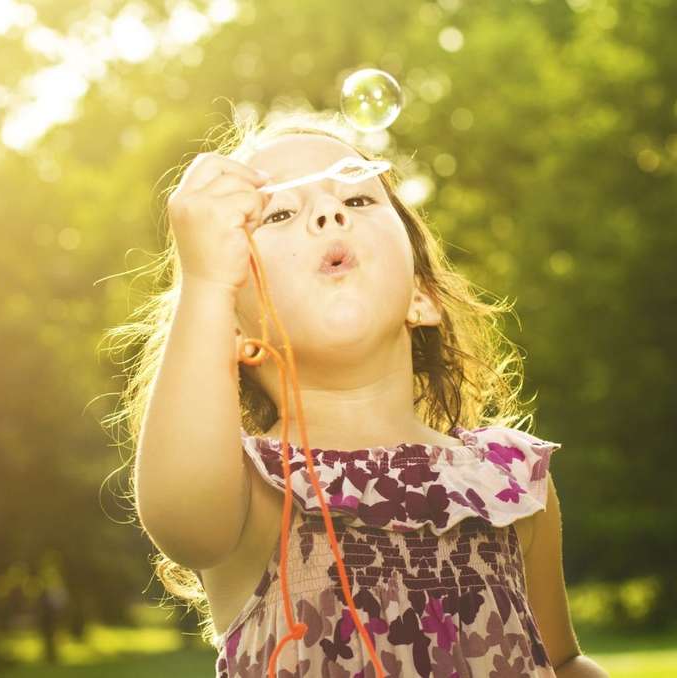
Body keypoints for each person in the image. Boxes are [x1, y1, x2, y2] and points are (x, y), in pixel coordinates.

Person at [122, 108, 609, 677]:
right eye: (280, 212)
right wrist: (203, 282)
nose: (329, 212)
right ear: (232, 331)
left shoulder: (509, 482)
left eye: (356, 200)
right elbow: (181, 520)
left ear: (421, 297)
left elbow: (562, 661)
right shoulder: (251, 490)